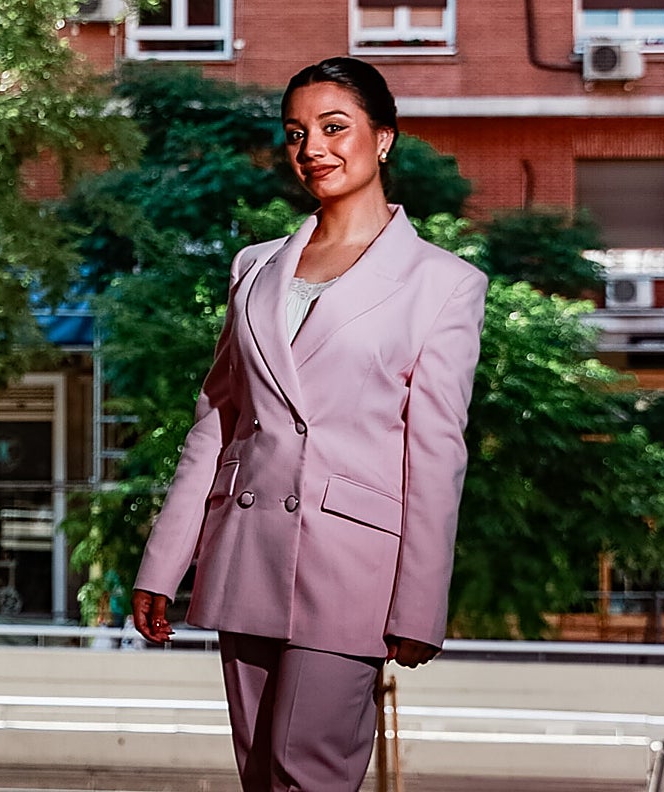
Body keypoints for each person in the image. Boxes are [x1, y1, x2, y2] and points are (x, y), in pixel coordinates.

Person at [130, 56, 488, 792]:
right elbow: (219, 421)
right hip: (246, 553)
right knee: (260, 776)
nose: (312, 149)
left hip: (350, 569)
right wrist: (163, 562)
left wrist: (419, 604)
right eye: (296, 133)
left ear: (383, 137)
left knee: (309, 777)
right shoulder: (255, 267)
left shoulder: (444, 283)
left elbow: (437, 452)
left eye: (334, 127)